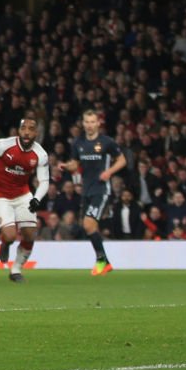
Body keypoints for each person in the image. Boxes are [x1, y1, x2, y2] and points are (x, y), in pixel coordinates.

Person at [0, 117, 49, 283]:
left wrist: (37, 198)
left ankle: (15, 270)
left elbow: (44, 181)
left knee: (29, 235)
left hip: (23, 194)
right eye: (24, 128)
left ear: (36, 133)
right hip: (1, 195)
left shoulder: (41, 154)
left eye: (31, 129)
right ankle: (5, 244)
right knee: (10, 236)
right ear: (19, 131)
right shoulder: (4, 145)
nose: (27, 132)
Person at [61, 110, 127, 275]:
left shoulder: (106, 142)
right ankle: (104, 262)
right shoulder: (78, 143)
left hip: (101, 189)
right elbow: (75, 165)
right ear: (83, 124)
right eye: (87, 122)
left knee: (88, 224)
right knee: (91, 227)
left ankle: (101, 261)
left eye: (92, 122)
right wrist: (66, 166)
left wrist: (109, 172)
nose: (90, 125)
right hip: (86, 190)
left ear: (98, 123)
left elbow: (122, 160)